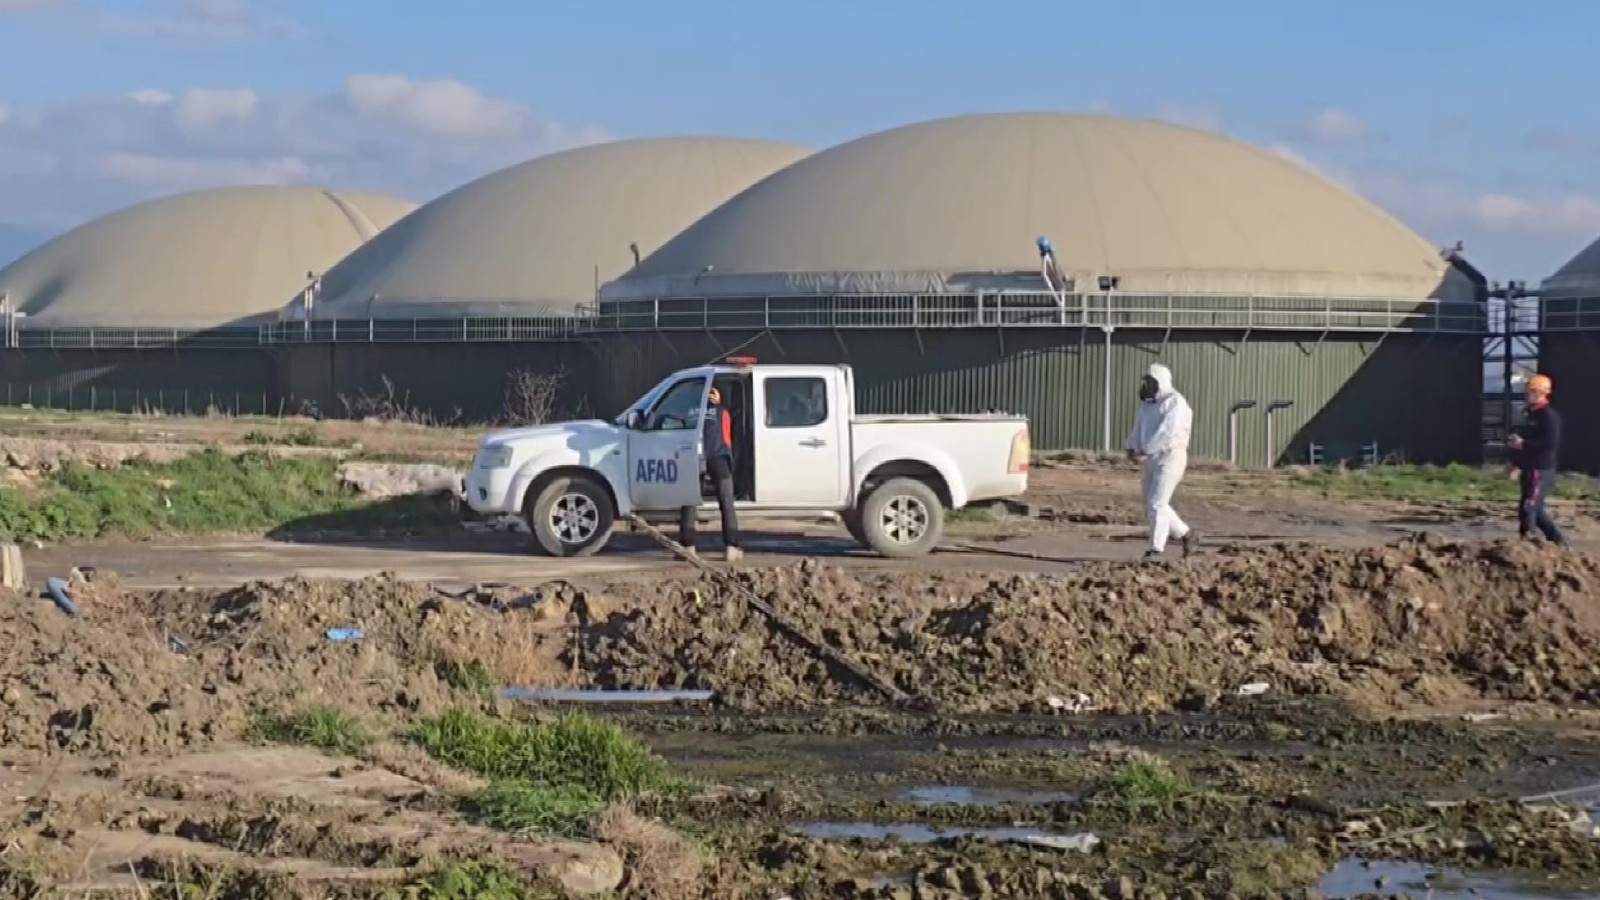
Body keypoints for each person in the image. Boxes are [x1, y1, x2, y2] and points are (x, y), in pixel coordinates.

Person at [1125, 363, 1198, 559]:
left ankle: (1156, 549)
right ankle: (1186, 534)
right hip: (1151, 458)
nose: (1147, 385)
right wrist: (1131, 446)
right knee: (1152, 504)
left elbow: (1167, 432)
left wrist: (1145, 449)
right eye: (1146, 381)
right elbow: (1138, 427)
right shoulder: (1147, 405)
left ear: (1161, 382)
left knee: (1158, 502)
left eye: (1150, 381)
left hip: (1171, 456)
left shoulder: (1175, 403)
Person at [680, 384, 743, 562]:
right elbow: (727, 436)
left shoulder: (689, 412)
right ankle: (732, 546)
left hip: (695, 457)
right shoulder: (722, 411)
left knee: (689, 501)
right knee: (726, 502)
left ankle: (688, 546)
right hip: (719, 458)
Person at [1507, 373, 1568, 546]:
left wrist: (1524, 444)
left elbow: (1549, 443)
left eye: (1529, 392)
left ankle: (1527, 546)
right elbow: (1523, 439)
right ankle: (1561, 545)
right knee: (1538, 511)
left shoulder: (1548, 416)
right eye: (1526, 392)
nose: (1526, 396)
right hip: (1529, 468)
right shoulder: (1531, 415)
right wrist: (1515, 462)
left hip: (1540, 469)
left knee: (1528, 508)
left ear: (1540, 393)